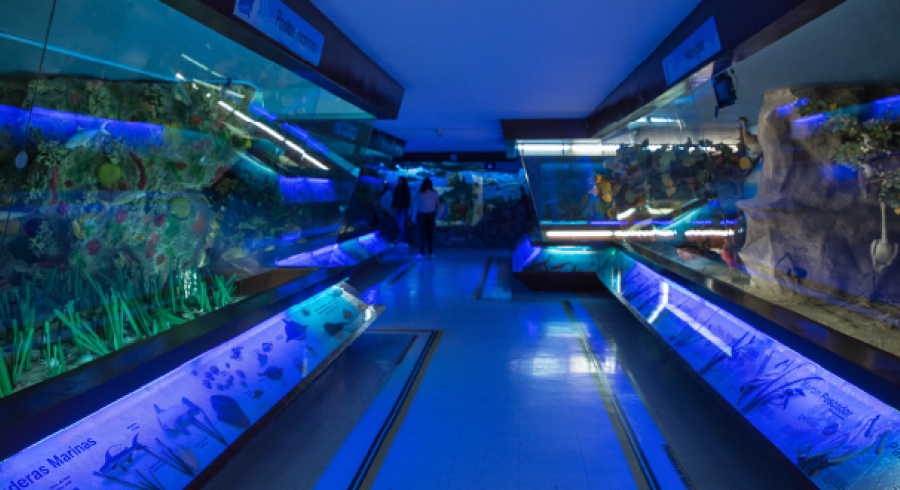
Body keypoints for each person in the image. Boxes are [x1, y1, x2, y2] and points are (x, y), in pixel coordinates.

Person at [411, 177, 441, 259]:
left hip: (421, 215)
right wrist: (438, 217)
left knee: (421, 235)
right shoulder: (435, 193)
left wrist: (413, 218)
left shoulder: (419, 193)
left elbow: (416, 206)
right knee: (430, 235)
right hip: (431, 215)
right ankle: (431, 253)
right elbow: (438, 205)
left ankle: (421, 253)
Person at [391, 177, 411, 245]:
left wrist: (398, 206)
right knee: (399, 224)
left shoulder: (406, 188)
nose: (398, 181)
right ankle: (401, 239)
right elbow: (395, 198)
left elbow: (407, 200)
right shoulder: (397, 187)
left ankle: (404, 241)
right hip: (397, 208)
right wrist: (393, 205)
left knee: (401, 225)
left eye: (400, 180)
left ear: (403, 181)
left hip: (403, 209)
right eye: (398, 179)